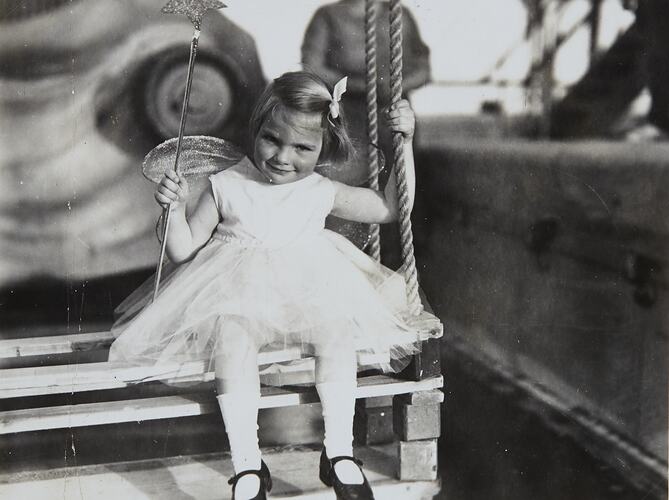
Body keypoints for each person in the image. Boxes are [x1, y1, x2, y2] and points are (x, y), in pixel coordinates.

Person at [109, 71, 437, 500]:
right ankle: (247, 464)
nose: (283, 157)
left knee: (336, 331)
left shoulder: (319, 189)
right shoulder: (226, 186)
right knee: (232, 338)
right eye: (272, 139)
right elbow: (184, 251)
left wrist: (405, 144)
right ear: (256, 129)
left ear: (323, 146)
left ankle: (339, 452)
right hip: (236, 292)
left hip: (311, 291)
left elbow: (390, 207)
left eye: (302, 147)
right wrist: (173, 209)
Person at [301, 0, 431, 268]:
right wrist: (365, 85)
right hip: (347, 122)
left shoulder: (400, 15)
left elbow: (423, 68)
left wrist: (394, 87)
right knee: (345, 207)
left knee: (399, 204)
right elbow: (312, 66)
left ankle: (391, 281)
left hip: (393, 121)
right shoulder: (328, 16)